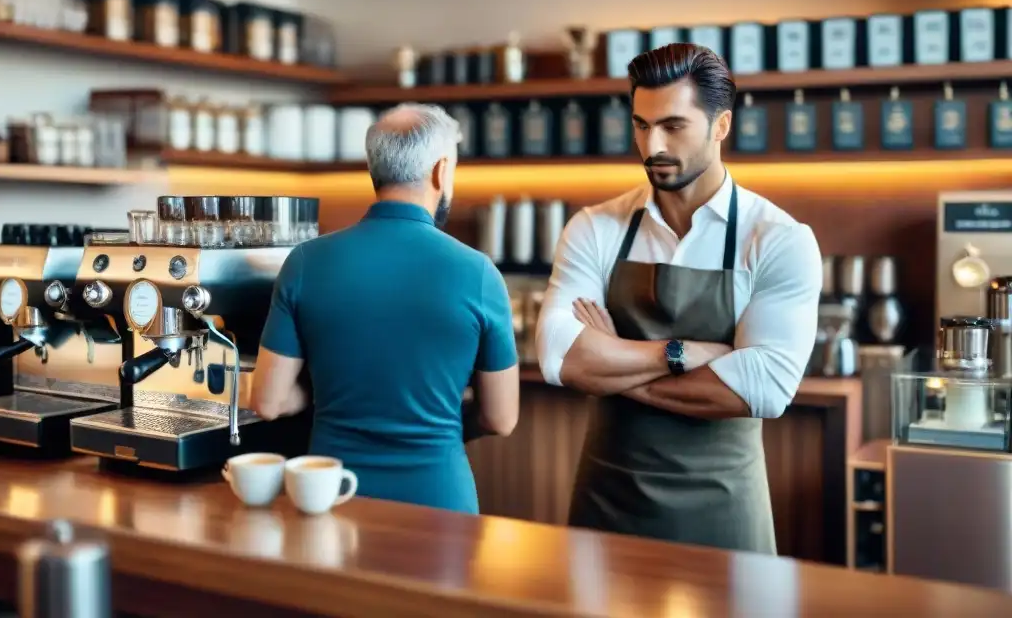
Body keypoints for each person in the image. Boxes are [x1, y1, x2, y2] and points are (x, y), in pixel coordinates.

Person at [535, 43, 822, 554]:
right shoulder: (595, 227)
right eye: (641, 125)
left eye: (673, 125)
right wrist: (685, 353)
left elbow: (765, 390)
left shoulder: (778, 238)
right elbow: (562, 358)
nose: (652, 146)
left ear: (721, 125)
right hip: (609, 499)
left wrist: (613, 361)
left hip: (724, 507)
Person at [252, 103, 520, 514]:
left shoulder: (306, 262)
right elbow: (500, 419)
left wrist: (320, 393)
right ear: (440, 171)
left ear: (374, 168)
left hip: (333, 494)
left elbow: (268, 402)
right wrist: (437, 421)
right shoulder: (478, 273)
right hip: (439, 498)